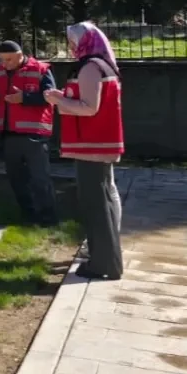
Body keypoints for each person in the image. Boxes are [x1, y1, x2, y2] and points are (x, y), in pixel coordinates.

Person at [46, 22, 125, 280]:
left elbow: (89, 107)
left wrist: (58, 99)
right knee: (104, 202)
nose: (70, 46)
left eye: (72, 40)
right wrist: (63, 96)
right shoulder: (102, 65)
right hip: (98, 144)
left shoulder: (90, 67)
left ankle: (103, 264)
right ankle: (107, 261)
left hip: (93, 145)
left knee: (97, 206)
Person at [0, 40, 58, 226]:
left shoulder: (41, 69)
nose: (5, 64)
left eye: (9, 59)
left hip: (34, 133)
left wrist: (24, 98)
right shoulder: (0, 72)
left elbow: (51, 97)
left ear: (20, 55)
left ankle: (48, 219)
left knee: (39, 178)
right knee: (17, 179)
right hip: (9, 133)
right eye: (2, 60)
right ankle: (28, 215)